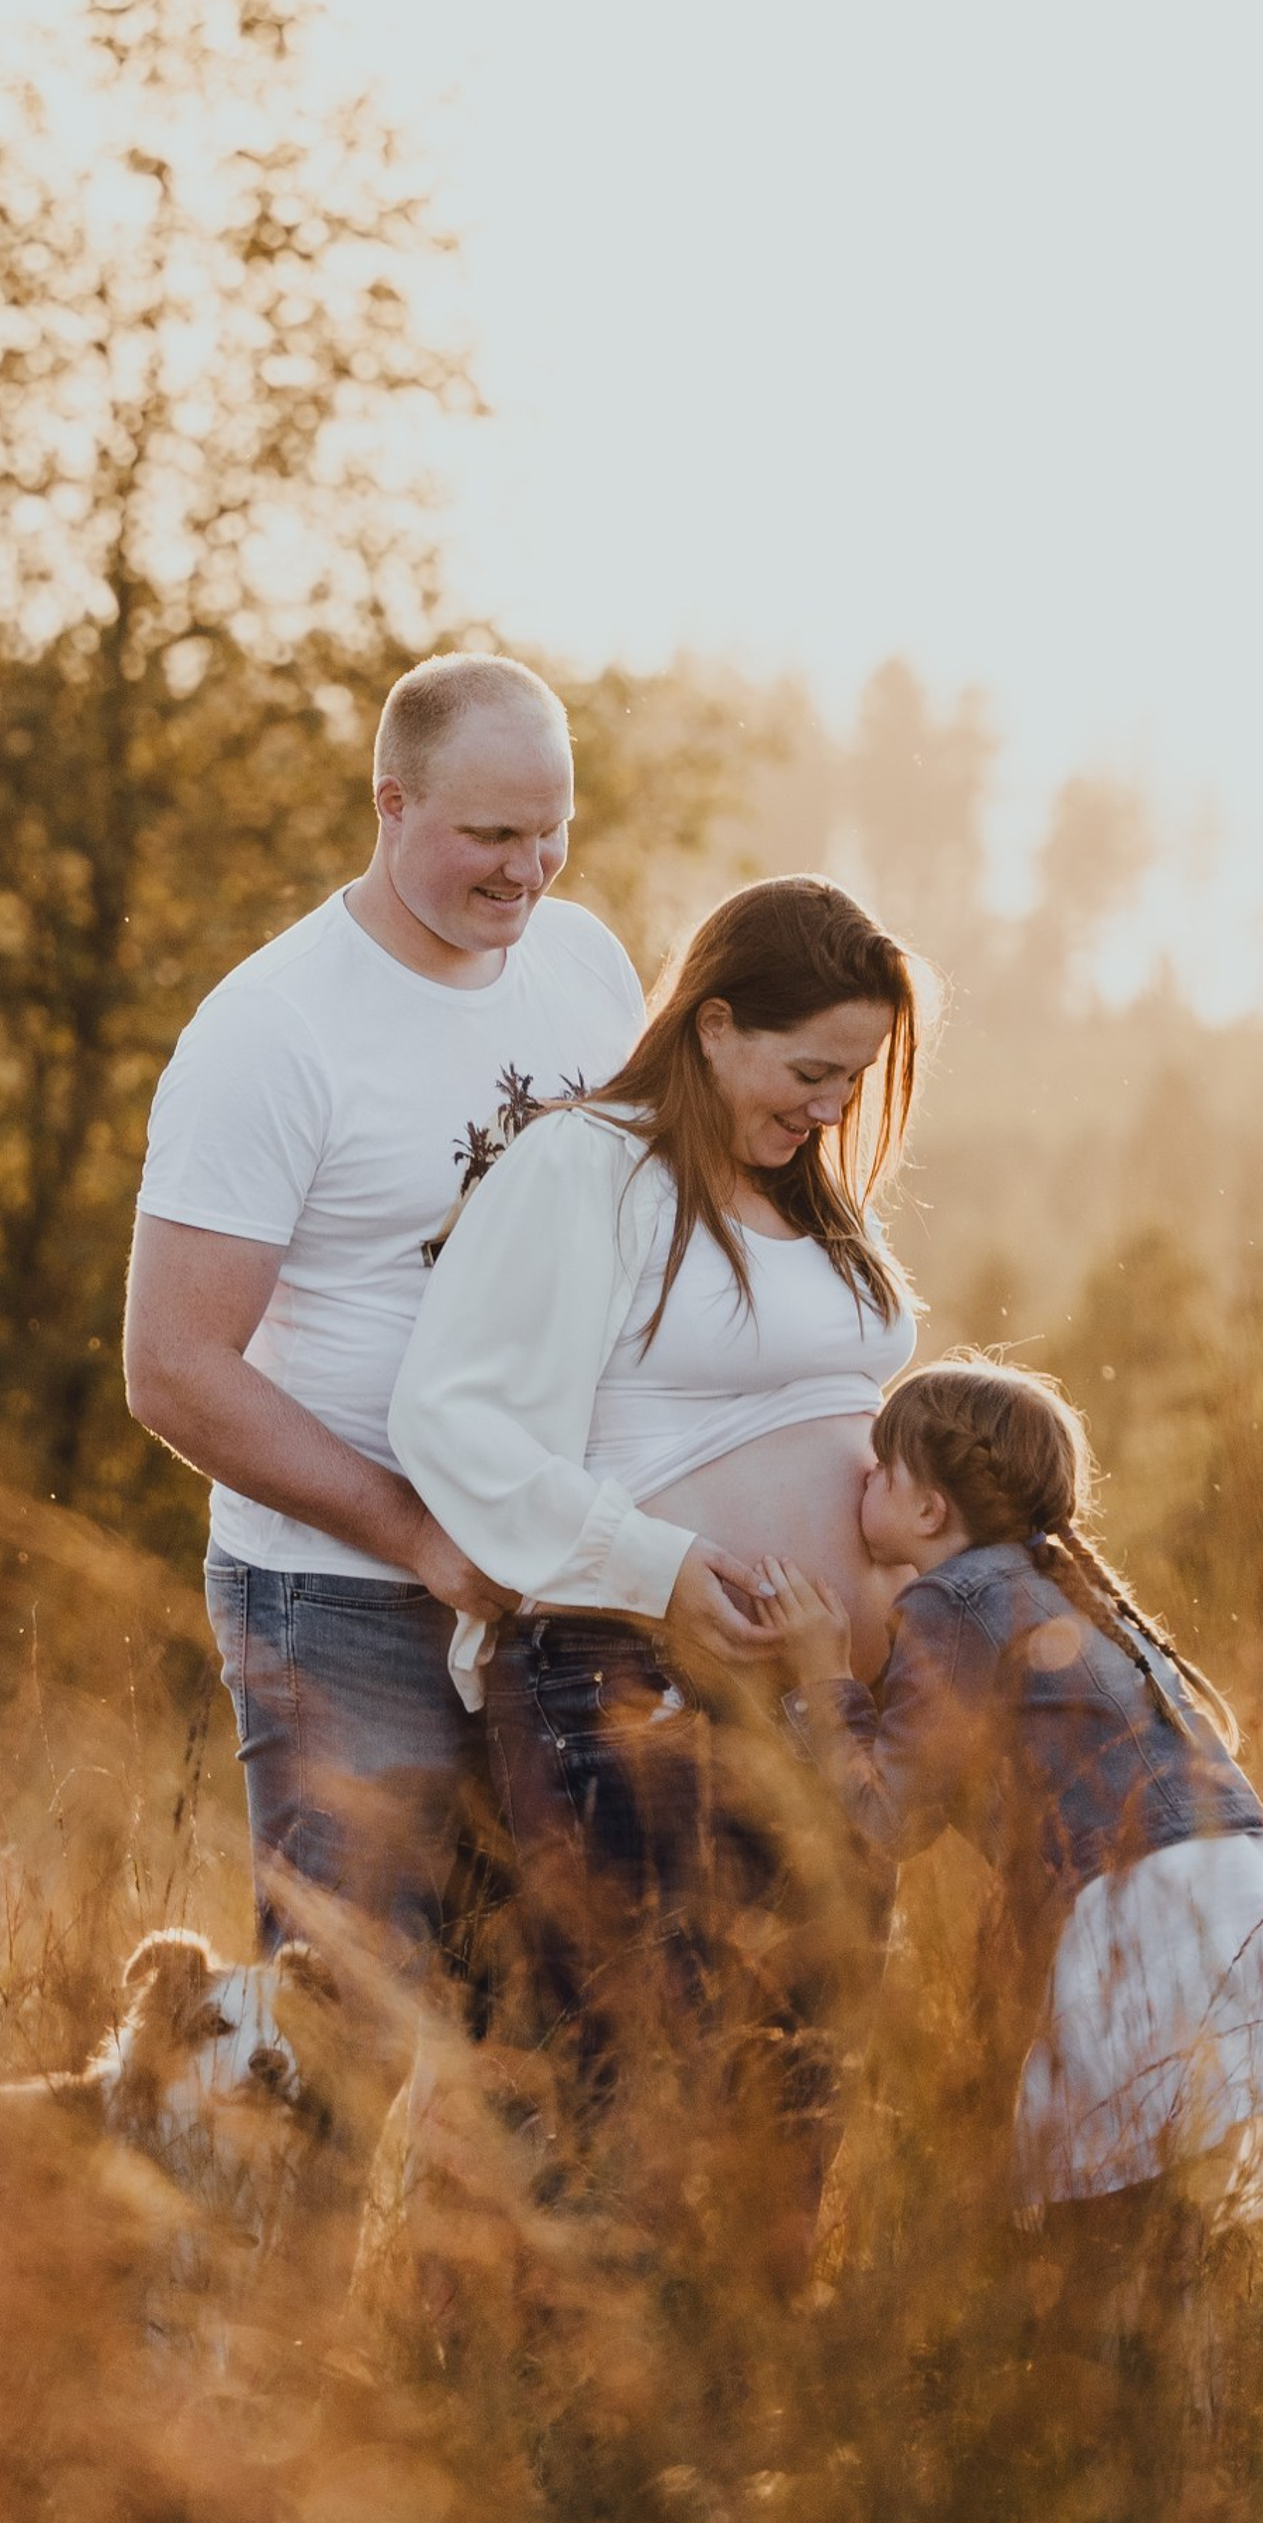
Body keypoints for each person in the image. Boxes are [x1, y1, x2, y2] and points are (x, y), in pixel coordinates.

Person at [384, 876, 923, 2164]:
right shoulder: (588, 1164)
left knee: (794, 2093)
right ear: (713, 1023)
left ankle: (738, 2372)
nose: (834, 1107)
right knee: (632, 2093)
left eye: (855, 1079)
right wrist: (663, 1569)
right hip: (628, 1685)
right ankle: (565, 2369)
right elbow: (449, 1414)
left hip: (820, 1709)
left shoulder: (806, 1205)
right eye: (811, 1070)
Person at [124, 652, 646, 1968]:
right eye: (490, 835)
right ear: (391, 803)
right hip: (344, 1599)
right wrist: (414, 1530)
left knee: (537, 2041)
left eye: (552, 830)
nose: (529, 870)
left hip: (560, 1590)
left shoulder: (584, 965)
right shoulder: (274, 1031)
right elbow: (175, 1368)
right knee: (345, 2035)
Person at [763, 1359, 1263, 2237]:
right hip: (1233, 1891)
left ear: (930, 1512)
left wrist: (819, 1673)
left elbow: (889, 1817)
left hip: (1145, 1914)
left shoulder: (952, 1600)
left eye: (882, 1468)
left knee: (1107, 2248)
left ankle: (1119, 2378)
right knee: (1175, 2242)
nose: (864, 1478)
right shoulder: (1041, 1584)